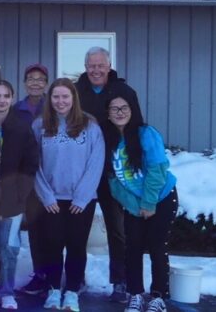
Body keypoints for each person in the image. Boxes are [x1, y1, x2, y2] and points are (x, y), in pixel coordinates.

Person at [34, 78, 105, 312]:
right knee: (52, 246)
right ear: (50, 99)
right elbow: (33, 164)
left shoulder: (90, 126)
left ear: (73, 98)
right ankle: (54, 291)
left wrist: (82, 197)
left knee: (76, 246)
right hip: (52, 200)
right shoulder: (39, 126)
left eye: (65, 96)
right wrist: (46, 196)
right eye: (56, 97)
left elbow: (96, 163)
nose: (60, 101)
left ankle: (72, 292)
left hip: (80, 201)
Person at [104, 94, 178, 312]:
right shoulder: (109, 140)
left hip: (162, 198)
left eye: (124, 107)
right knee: (132, 248)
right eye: (114, 108)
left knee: (156, 246)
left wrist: (148, 203)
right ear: (108, 114)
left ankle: (158, 297)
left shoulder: (146, 133)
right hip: (135, 204)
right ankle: (135, 295)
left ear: (132, 110)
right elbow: (113, 181)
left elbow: (158, 170)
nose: (120, 112)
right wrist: (136, 207)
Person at [74, 47, 136, 303]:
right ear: (86, 66)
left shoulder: (124, 92)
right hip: (84, 170)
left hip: (113, 171)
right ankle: (76, 276)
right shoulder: (76, 92)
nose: (96, 70)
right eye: (91, 66)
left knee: (116, 228)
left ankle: (119, 280)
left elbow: (135, 127)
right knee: (78, 227)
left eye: (101, 65)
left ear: (109, 66)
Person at [0, 80, 38, 310]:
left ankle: (7, 291)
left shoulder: (21, 126)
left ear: (13, 98)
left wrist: (20, 194)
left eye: (6, 96)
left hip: (12, 199)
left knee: (9, 247)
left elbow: (30, 163)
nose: (2, 100)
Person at [14, 63, 51, 296]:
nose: (35, 82)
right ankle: (40, 276)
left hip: (54, 176)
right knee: (36, 229)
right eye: (31, 78)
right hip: (28, 176)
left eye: (40, 79)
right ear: (25, 82)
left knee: (56, 230)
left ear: (46, 83)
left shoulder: (56, 105)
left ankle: (58, 275)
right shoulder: (17, 109)